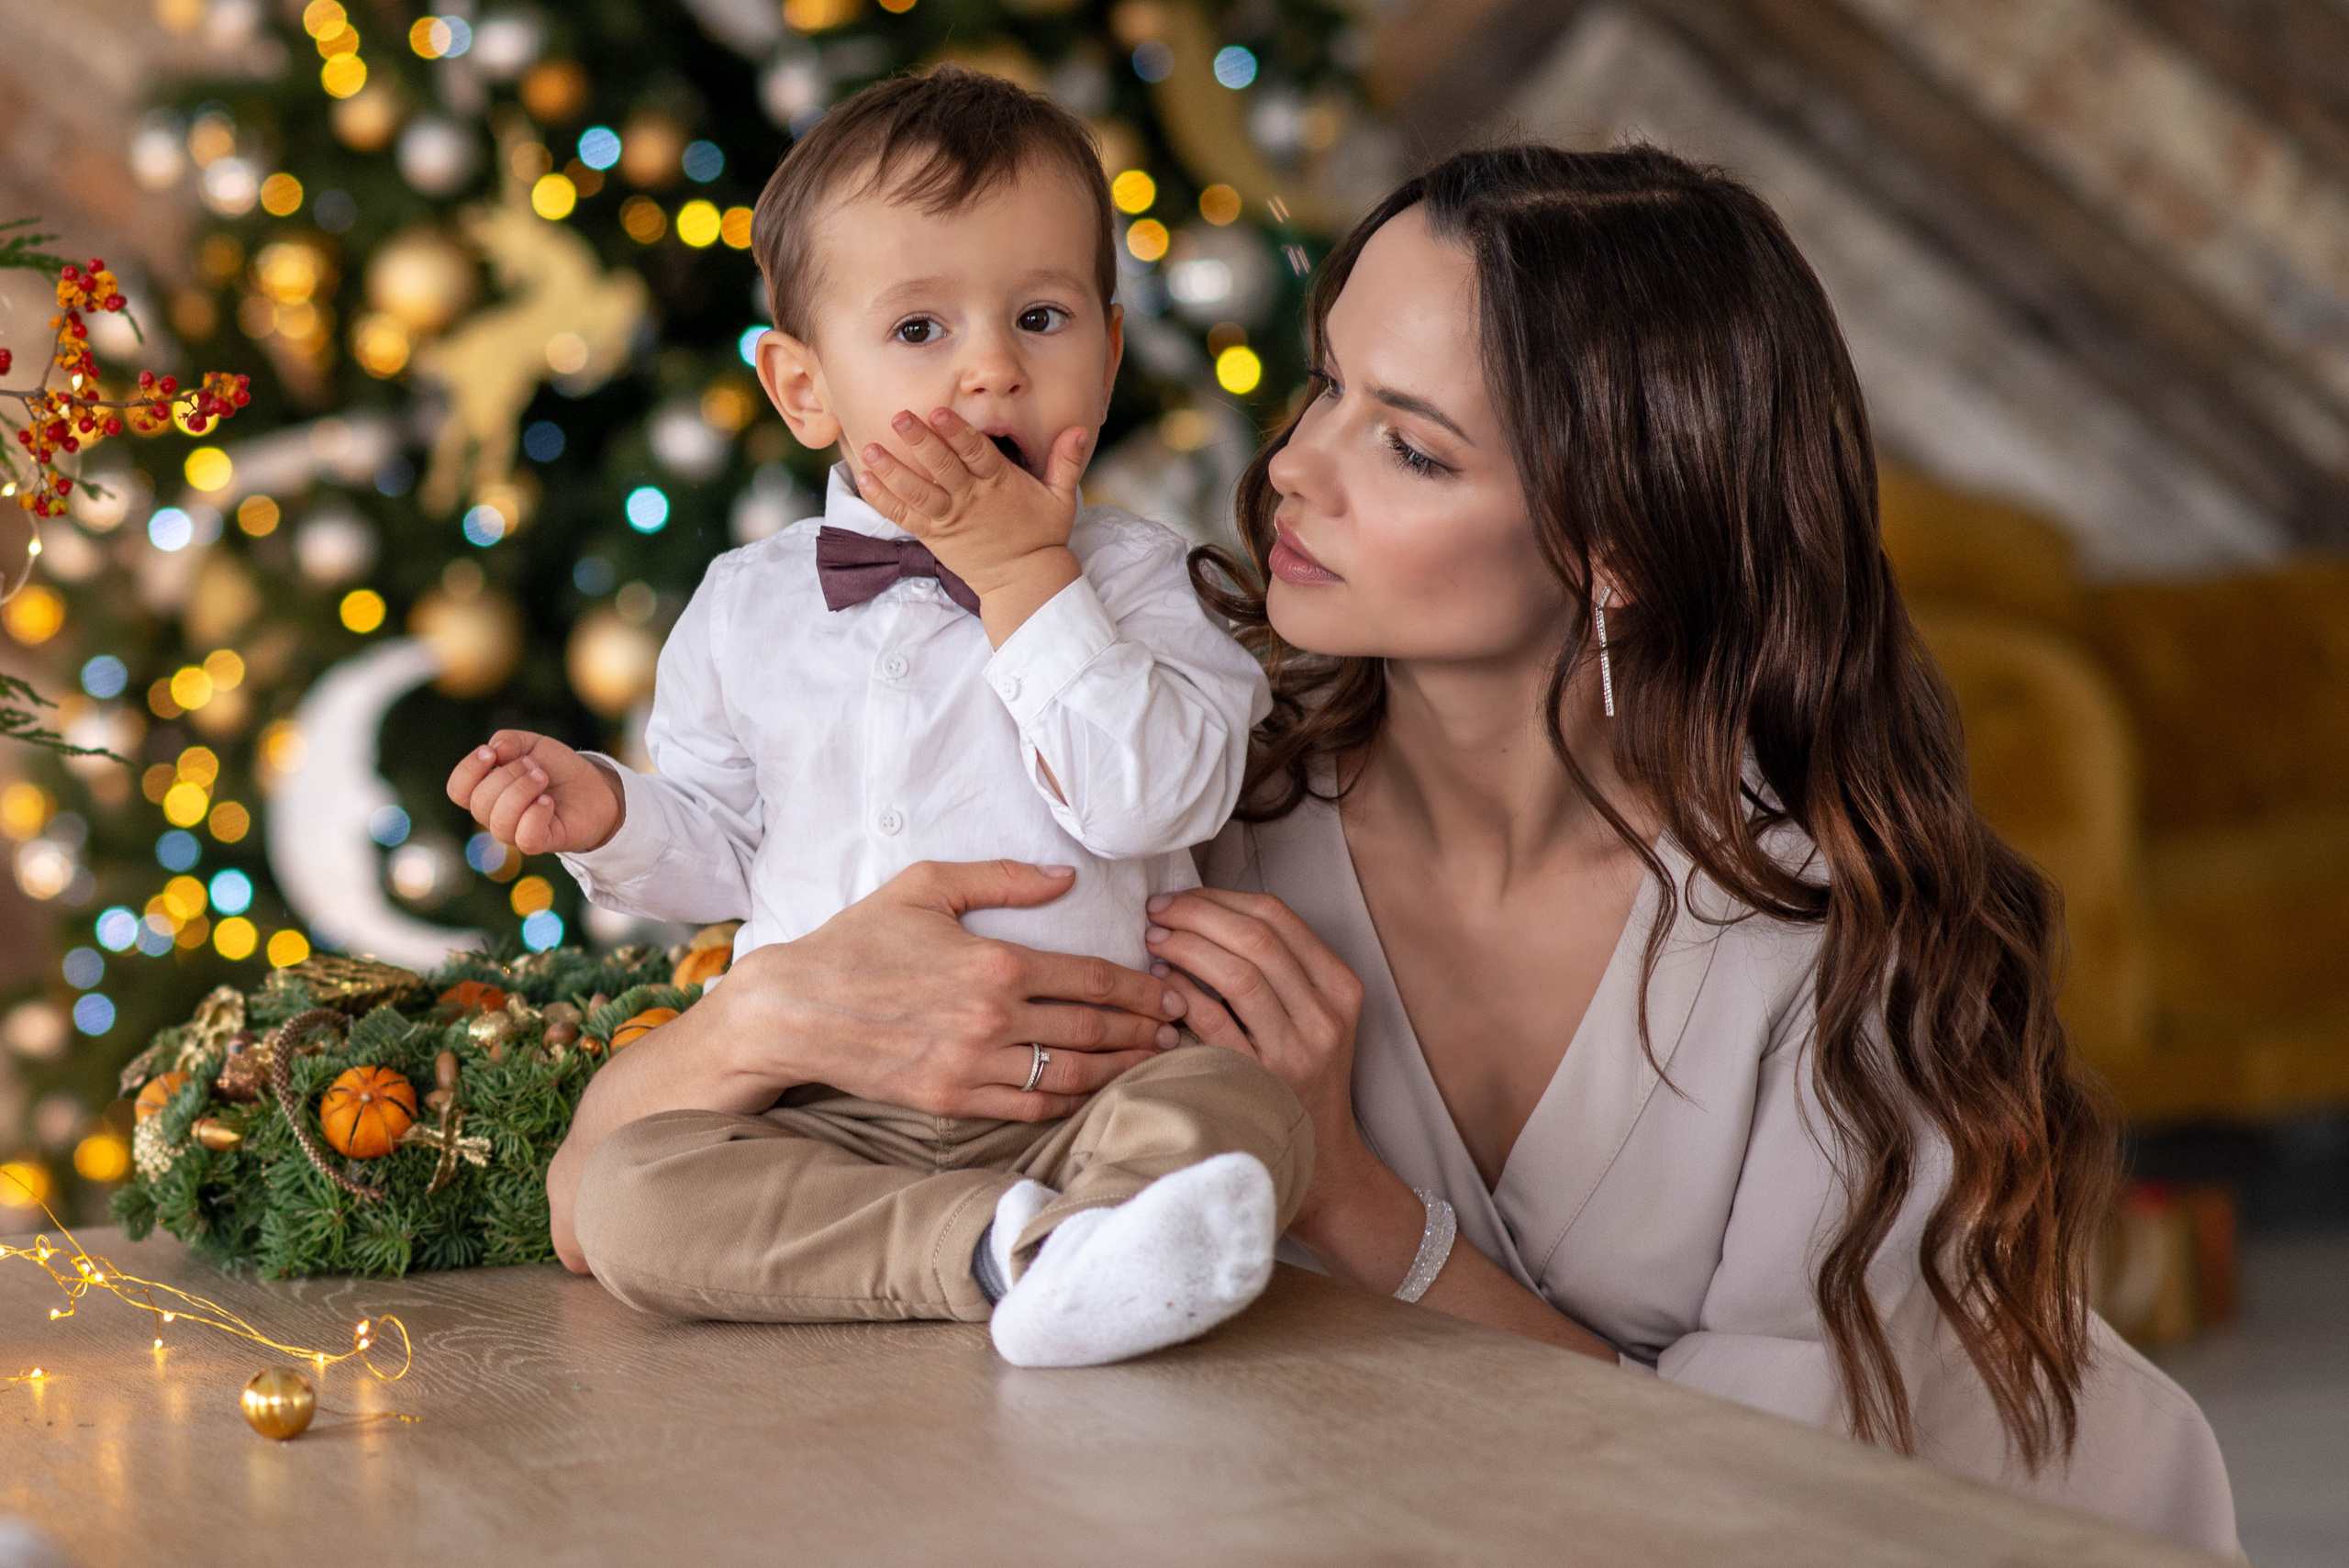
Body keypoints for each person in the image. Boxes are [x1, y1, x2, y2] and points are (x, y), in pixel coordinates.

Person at [546, 142, 2237, 1555]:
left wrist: (1354, 1199)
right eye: (1327, 386)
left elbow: (1749, 1507)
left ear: (1619, 547)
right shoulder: (1180, 800)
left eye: (1410, 445)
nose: (1293, 468)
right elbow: (591, 1199)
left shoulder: (1827, 943)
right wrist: (776, 1016)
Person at [446, 67, 1312, 1369]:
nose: (992, 370)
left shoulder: (1149, 583)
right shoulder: (746, 607)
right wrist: (613, 816)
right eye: (919, 328)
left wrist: (1027, 580)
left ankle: (1093, 1233)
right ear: (804, 389)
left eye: (1041, 317)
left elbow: (1155, 801)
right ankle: (1006, 1253)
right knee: (633, 1198)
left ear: (1110, 350)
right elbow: (724, 860)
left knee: (1241, 1115)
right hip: (824, 1115)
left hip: (1096, 1092)